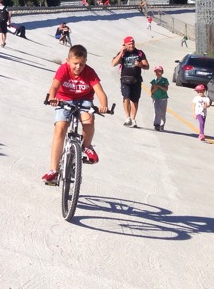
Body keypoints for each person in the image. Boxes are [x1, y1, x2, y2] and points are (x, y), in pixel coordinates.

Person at [42, 44, 110, 184]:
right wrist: (52, 98)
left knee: (88, 121)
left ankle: (86, 146)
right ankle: (53, 170)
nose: (78, 67)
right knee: (60, 128)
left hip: (84, 100)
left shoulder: (90, 72)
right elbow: (54, 86)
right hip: (64, 99)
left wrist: (104, 105)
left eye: (82, 64)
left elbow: (100, 92)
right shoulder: (63, 69)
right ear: (68, 60)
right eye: (75, 63)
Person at [111, 35, 149, 128]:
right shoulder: (123, 53)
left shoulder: (139, 53)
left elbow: (147, 66)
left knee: (135, 100)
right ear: (125, 44)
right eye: (129, 44)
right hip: (125, 79)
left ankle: (133, 119)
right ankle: (127, 118)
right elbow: (113, 63)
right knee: (126, 97)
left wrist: (140, 64)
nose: (131, 45)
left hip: (136, 79)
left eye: (132, 43)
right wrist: (121, 52)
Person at [150, 64, 170, 131]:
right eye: (156, 71)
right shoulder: (154, 81)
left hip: (163, 98)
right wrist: (155, 89)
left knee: (162, 112)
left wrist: (159, 86)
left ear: (162, 72)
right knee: (157, 111)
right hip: (156, 97)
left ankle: (162, 124)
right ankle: (157, 124)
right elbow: (151, 91)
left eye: (159, 71)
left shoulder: (165, 80)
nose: (158, 72)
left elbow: (166, 89)